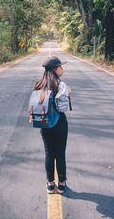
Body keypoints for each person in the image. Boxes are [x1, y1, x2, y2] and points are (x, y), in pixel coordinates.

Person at [33, 56, 71, 194]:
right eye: (60, 66)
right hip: (59, 124)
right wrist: (67, 93)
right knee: (60, 154)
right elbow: (62, 108)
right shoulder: (60, 85)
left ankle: (50, 184)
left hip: (44, 124)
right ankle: (61, 184)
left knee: (49, 154)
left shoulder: (39, 84)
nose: (62, 68)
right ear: (55, 69)